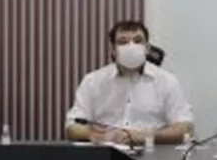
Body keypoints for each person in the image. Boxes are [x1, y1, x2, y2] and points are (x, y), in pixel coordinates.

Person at [65, 20, 194, 145]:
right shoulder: (92, 81)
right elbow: (72, 127)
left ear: (147, 48)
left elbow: (185, 128)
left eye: (138, 41)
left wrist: (143, 136)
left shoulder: (167, 81)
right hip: (106, 153)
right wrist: (99, 136)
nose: (131, 46)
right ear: (113, 50)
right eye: (123, 42)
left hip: (151, 153)